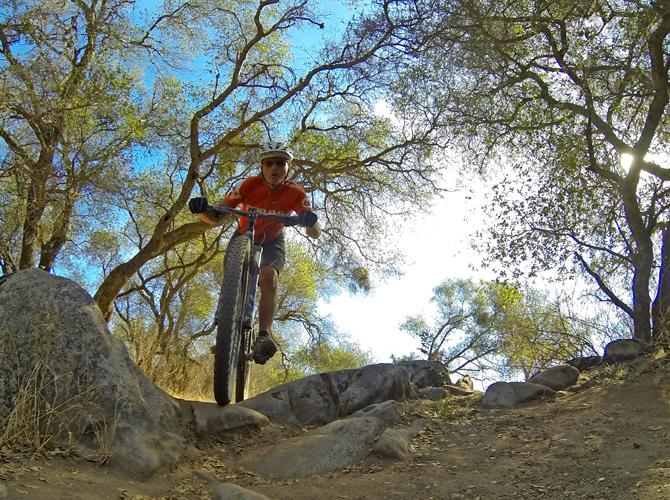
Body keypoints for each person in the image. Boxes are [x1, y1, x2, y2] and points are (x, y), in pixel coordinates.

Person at [188, 142, 321, 364]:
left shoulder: (296, 192)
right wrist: (201, 211)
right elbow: (216, 217)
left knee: (269, 276)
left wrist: (310, 222)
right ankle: (225, 330)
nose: (274, 168)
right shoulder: (247, 185)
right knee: (231, 279)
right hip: (243, 235)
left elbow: (315, 232)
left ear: (288, 167)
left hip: (272, 241)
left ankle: (264, 335)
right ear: (262, 166)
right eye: (269, 163)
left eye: (280, 163)